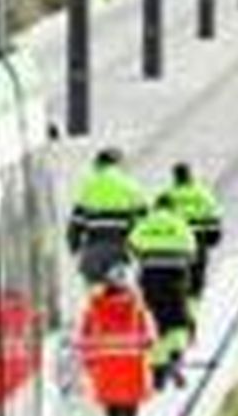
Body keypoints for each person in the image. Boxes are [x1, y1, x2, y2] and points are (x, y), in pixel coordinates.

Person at [75, 263, 157, 416]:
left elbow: (85, 342)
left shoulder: (94, 308)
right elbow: (150, 339)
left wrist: (91, 368)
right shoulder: (137, 307)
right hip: (133, 374)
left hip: (107, 375)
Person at [127, 189, 199, 387]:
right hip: (175, 278)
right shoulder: (179, 224)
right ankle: (175, 356)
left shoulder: (146, 223)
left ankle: (157, 370)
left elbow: (132, 245)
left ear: (156, 206)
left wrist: (147, 256)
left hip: (150, 277)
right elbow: (192, 252)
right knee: (178, 320)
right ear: (172, 207)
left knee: (155, 320)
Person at [65, 146, 150, 283]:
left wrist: (74, 246)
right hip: (120, 248)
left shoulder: (88, 185)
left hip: (93, 249)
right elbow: (144, 222)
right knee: (120, 293)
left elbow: (76, 221)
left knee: (96, 294)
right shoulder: (130, 185)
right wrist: (140, 250)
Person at [163, 161, 224, 297]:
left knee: (176, 265)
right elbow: (214, 214)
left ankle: (178, 290)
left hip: (175, 236)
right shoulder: (202, 193)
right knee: (198, 266)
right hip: (198, 234)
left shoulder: (168, 194)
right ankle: (196, 292)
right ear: (190, 175)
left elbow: (158, 216)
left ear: (175, 177)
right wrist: (215, 235)